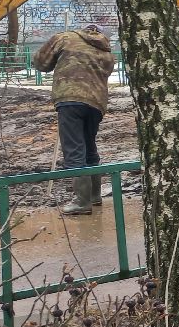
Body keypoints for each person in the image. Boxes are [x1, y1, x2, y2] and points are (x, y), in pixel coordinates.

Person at [32, 24, 116, 215]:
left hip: (70, 99)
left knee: (74, 150)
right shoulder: (106, 51)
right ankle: (95, 196)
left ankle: (82, 201)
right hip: (96, 104)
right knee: (89, 147)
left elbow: (41, 62)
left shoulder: (64, 38)